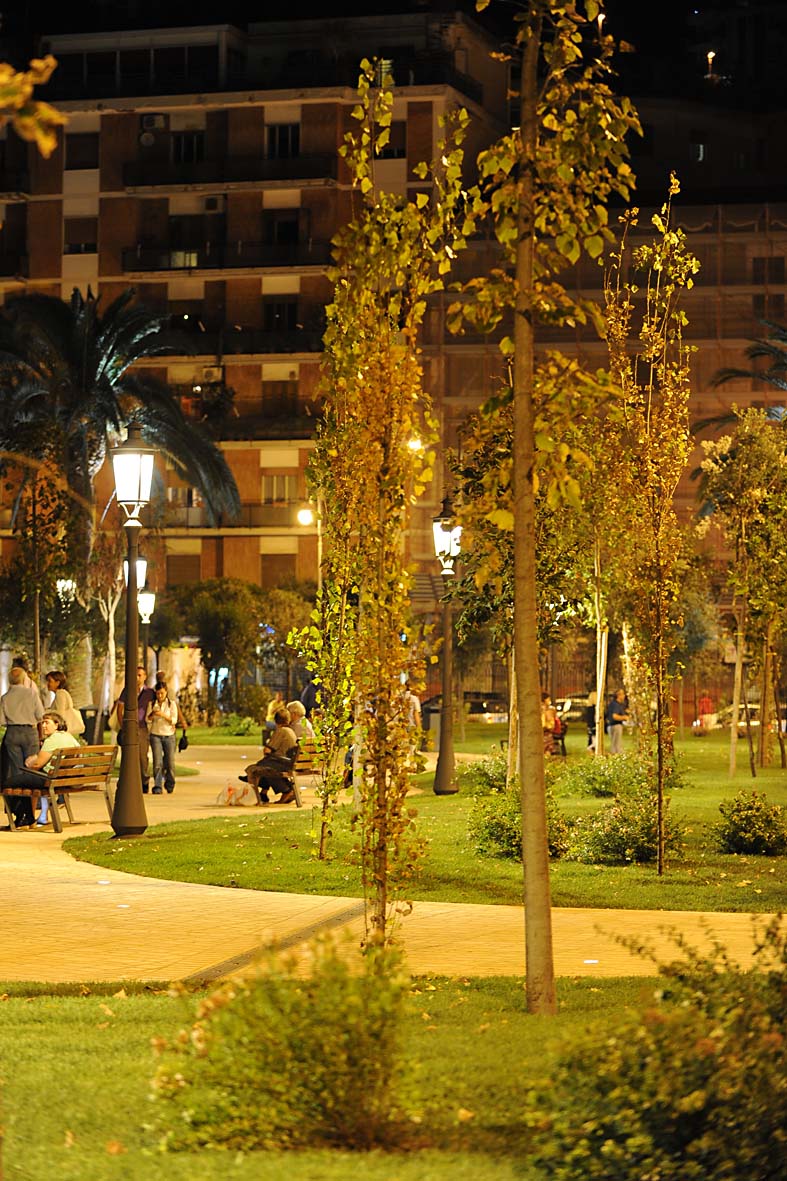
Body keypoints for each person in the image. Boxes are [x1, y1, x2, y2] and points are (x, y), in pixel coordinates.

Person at [5, 711, 79, 828]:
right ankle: (27, 819)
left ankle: (24, 818)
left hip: (48, 778)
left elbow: (37, 765)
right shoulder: (68, 737)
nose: (43, 726)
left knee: (8, 783)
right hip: (62, 777)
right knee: (23, 782)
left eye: (47, 723)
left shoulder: (52, 740)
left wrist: (31, 764)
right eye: (42, 723)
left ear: (57, 724)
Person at [0, 666, 44, 822]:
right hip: (29, 733)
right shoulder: (32, 694)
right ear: (23, 678)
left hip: (12, 733)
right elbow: (40, 715)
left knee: (16, 773)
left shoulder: (5, 697)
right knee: (30, 771)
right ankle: (30, 814)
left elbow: (2, 721)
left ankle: (19, 813)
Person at [240, 708, 298, 804]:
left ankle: (286, 790)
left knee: (255, 769)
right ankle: (265, 793)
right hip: (289, 762)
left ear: (276, 721)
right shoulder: (291, 731)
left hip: (282, 763)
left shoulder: (281, 731)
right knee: (263, 765)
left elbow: (267, 750)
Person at [116, 665, 156, 793]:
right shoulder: (127, 691)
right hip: (129, 728)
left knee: (142, 757)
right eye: (135, 675)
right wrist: (123, 726)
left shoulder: (149, 692)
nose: (137, 678)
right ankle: (129, 782)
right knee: (127, 756)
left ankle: (144, 782)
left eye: (140, 675)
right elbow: (119, 709)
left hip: (143, 728)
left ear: (145, 677)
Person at [146, 683, 179, 794]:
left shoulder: (171, 704)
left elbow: (174, 720)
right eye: (158, 693)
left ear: (166, 692)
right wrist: (152, 715)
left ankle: (170, 784)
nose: (160, 695)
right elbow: (148, 719)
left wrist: (163, 715)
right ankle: (157, 786)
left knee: (170, 762)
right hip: (155, 735)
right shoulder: (151, 704)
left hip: (169, 735)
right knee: (157, 762)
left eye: (162, 693)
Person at [45, 670, 85, 737]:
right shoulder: (62, 693)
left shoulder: (60, 694)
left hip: (63, 730)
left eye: (50, 681)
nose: (48, 684)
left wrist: (47, 712)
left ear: (57, 683)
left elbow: (60, 713)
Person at [605, 689, 629, 755]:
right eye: (623, 694)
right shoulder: (616, 705)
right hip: (615, 726)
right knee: (616, 745)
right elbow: (614, 716)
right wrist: (625, 717)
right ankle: (616, 758)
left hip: (612, 726)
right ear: (619, 695)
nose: (624, 696)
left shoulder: (615, 704)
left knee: (615, 744)